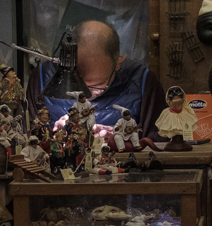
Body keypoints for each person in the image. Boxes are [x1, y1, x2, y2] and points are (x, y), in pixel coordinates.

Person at [26, 19, 161, 140]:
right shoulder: (44, 77)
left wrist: (124, 139)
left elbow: (158, 144)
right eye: (77, 85)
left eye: (96, 86)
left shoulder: (142, 81)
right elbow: (28, 137)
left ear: (119, 62)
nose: (85, 95)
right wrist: (53, 136)